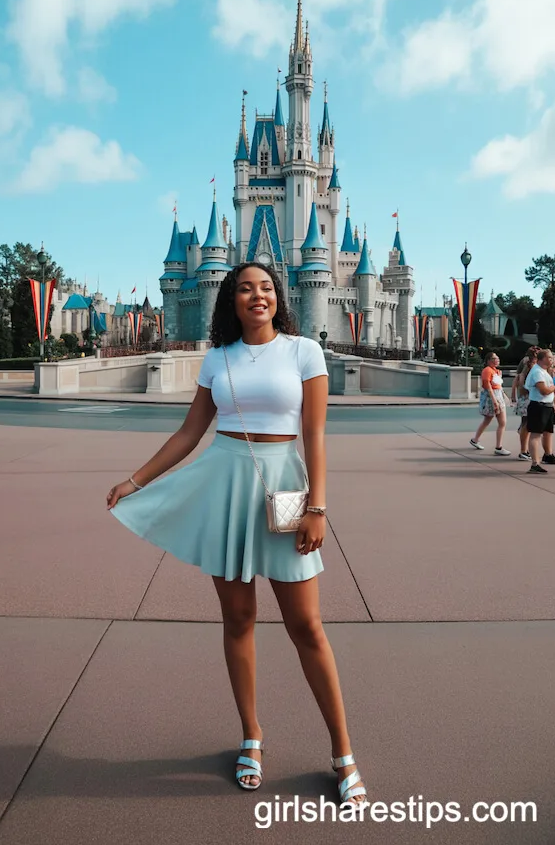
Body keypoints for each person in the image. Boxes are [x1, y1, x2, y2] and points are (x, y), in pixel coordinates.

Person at [106, 262, 367, 807]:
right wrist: (135, 480)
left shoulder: (303, 352)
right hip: (225, 487)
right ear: (231, 299)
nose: (258, 295)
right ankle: (251, 735)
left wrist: (318, 505)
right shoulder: (217, 358)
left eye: (266, 288)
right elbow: (189, 432)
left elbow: (315, 435)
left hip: (286, 489)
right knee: (238, 619)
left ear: (280, 297)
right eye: (246, 288)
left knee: (308, 626)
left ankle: (343, 753)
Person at [470, 352, 510, 455]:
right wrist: (495, 401)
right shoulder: (487, 371)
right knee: (502, 422)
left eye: (497, 358)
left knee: (488, 420)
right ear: (488, 361)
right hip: (492, 397)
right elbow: (488, 387)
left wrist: (504, 397)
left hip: (497, 396)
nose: (497, 360)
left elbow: (499, 387)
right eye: (494, 358)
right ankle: (498, 447)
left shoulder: (496, 371)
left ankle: (475, 439)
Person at [523, 349, 555, 474]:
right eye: (550, 357)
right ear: (543, 358)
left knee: (548, 432)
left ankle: (548, 455)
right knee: (536, 434)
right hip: (538, 406)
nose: (552, 359)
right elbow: (544, 390)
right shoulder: (537, 372)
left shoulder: (544, 371)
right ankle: (534, 463)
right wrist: (554, 387)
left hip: (547, 406)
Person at [511, 347, 539, 461]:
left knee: (526, 423)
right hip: (527, 397)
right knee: (526, 424)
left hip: (526, 397)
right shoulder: (529, 365)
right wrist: (523, 389)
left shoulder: (528, 364)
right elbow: (520, 378)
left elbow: (518, 378)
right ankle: (523, 450)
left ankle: (524, 449)